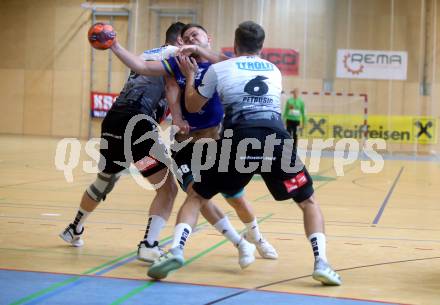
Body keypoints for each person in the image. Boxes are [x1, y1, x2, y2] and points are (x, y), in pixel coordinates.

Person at [148, 21, 342, 286]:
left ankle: (176, 251)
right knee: (308, 202)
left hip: (237, 140)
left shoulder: (220, 68)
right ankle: (322, 263)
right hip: (276, 140)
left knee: (196, 197)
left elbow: (193, 104)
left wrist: (192, 77)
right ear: (261, 47)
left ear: (235, 45)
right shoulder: (274, 70)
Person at [108, 23, 278, 270]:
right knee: (197, 195)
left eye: (194, 35)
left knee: (236, 198)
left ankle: (257, 237)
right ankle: (240, 243)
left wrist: (197, 50)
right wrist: (114, 45)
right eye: (185, 37)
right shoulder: (177, 64)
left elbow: (228, 61)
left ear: (208, 38)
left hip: (216, 143)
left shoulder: (223, 64)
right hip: (185, 144)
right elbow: (142, 66)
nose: (189, 39)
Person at [59, 22, 186, 264]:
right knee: (167, 188)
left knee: (105, 180)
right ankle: (149, 245)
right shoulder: (175, 56)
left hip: (114, 121)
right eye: (189, 38)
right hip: (139, 126)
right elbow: (172, 88)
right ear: (179, 41)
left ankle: (74, 228)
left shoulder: (146, 54)